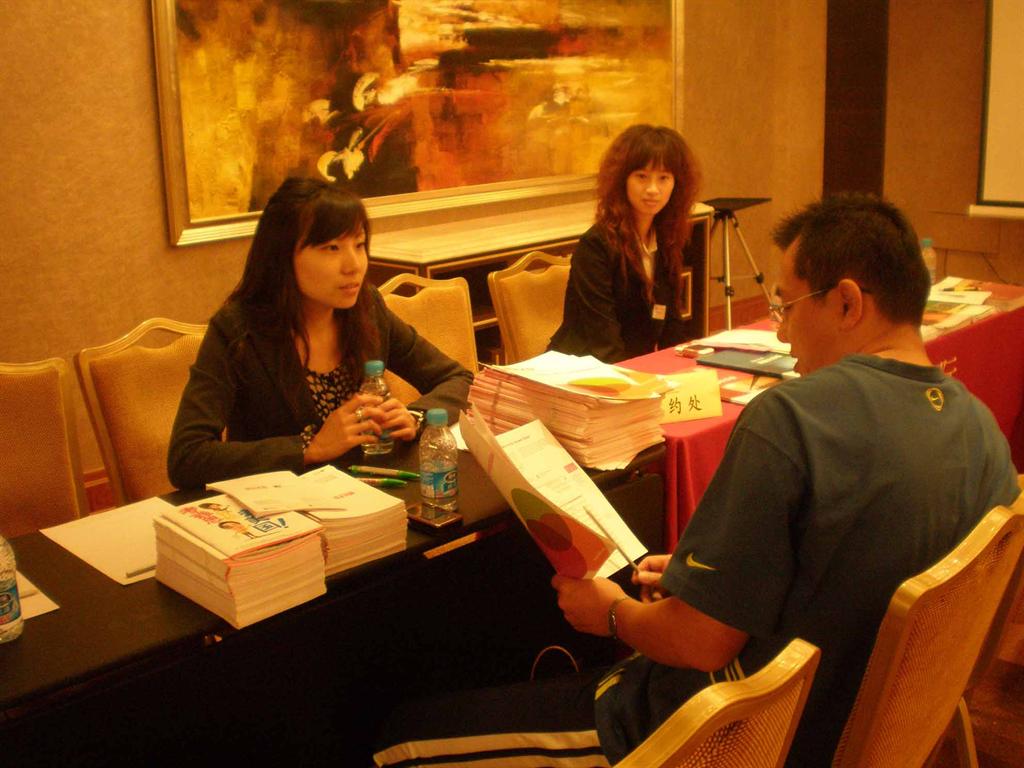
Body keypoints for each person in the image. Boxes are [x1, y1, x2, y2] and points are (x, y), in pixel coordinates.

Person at [373, 194, 1020, 767]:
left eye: (787, 306)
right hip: (856, 728)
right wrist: (709, 581)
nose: (782, 331)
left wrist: (612, 614)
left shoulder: (793, 419)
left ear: (847, 302)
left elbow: (700, 641)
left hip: (722, 738)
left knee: (401, 734)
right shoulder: (983, 433)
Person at [168, 177, 472, 490]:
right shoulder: (238, 330)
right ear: (283, 256)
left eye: (359, 245)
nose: (353, 265)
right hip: (285, 503)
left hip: (370, 493)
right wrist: (307, 447)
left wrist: (416, 417)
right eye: (331, 248)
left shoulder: (366, 309)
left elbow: (459, 379)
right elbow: (187, 458)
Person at [548, 124, 700, 363]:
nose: (653, 189)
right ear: (622, 180)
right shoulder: (596, 246)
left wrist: (683, 370)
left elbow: (672, 327)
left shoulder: (666, 239)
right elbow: (604, 343)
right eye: (642, 177)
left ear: (676, 184)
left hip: (633, 367)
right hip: (583, 369)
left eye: (663, 178)